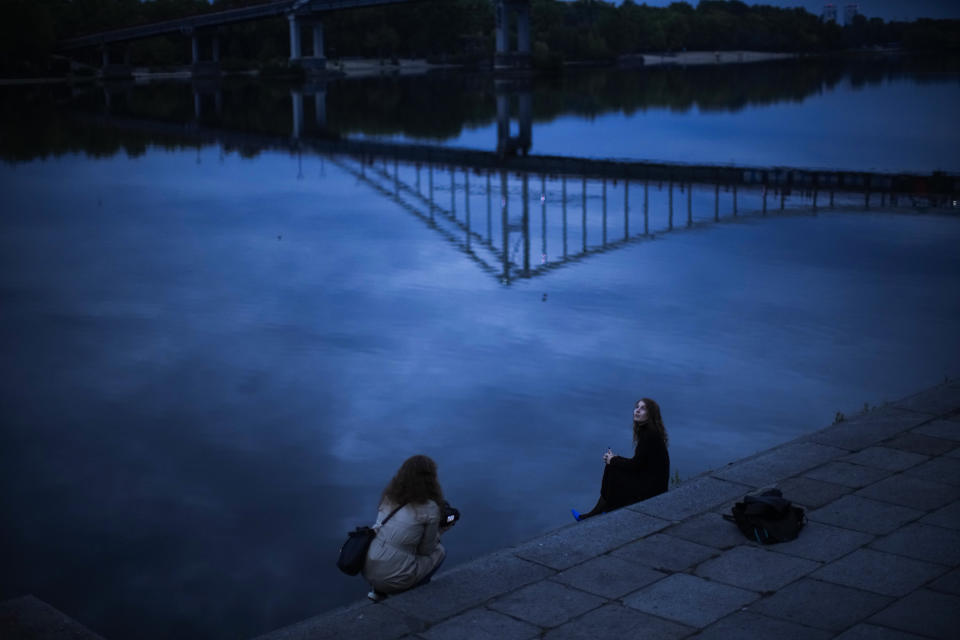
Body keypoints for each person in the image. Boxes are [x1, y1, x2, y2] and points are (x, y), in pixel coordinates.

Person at [363, 454, 453, 601]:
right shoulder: (429, 508)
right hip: (395, 579)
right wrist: (441, 530)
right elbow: (426, 550)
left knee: (397, 545)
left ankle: (378, 592)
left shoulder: (389, 498)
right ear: (431, 480)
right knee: (440, 551)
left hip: (368, 568)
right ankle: (415, 594)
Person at [573, 398, 670, 521]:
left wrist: (613, 460)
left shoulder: (649, 435)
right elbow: (640, 463)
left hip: (652, 489)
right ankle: (602, 509)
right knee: (613, 465)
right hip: (651, 483)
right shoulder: (649, 432)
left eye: (643, 408)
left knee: (613, 468)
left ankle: (600, 511)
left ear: (651, 414)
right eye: (637, 407)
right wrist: (614, 459)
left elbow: (636, 465)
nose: (637, 411)